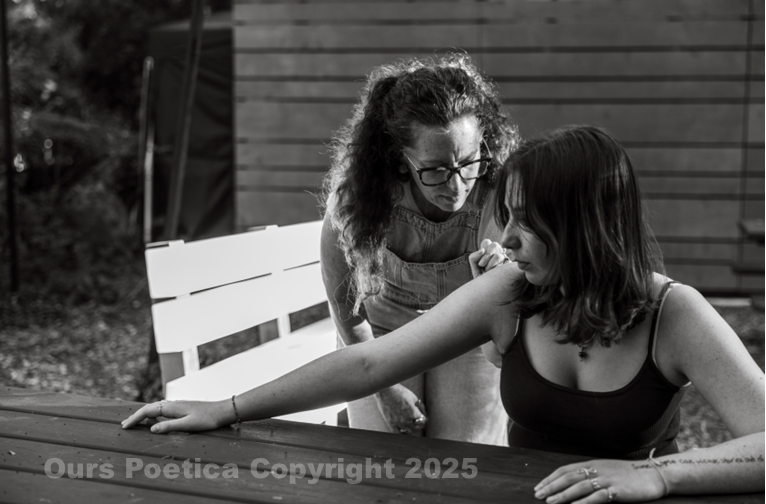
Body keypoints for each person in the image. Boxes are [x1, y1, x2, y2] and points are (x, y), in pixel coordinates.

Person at [123, 126, 765, 500]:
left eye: (525, 222)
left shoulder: (673, 313)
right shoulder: (513, 291)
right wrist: (227, 408)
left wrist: (660, 477)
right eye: (505, 217)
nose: (505, 240)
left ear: (583, 226)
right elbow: (370, 363)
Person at [318, 53, 518, 444]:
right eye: (436, 169)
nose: (457, 186)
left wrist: (501, 276)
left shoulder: (500, 187)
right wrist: (384, 389)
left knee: (463, 461)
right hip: (380, 335)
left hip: (467, 329)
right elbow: (345, 305)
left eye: (468, 163)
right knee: (382, 459)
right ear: (401, 159)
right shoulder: (358, 199)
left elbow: (533, 279)